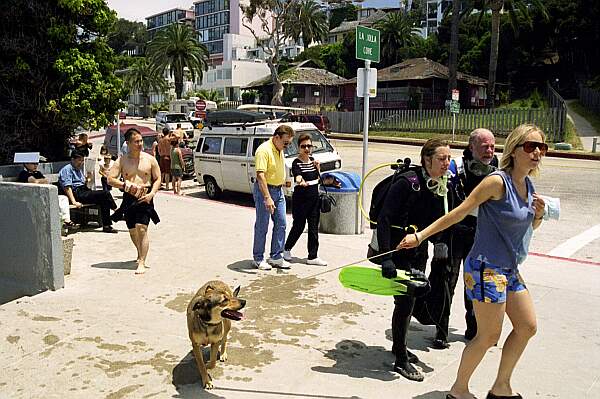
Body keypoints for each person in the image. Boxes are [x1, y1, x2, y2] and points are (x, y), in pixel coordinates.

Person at [400, 124, 547, 399]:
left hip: (509, 268)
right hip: (485, 267)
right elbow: (459, 212)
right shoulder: (497, 182)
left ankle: (501, 387)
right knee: (488, 336)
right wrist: (420, 236)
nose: (537, 152)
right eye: (530, 146)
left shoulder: (527, 185)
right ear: (514, 150)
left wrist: (537, 215)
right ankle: (458, 391)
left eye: (541, 147)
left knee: (527, 326)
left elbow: (528, 229)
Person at [377, 138, 453, 382]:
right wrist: (387, 259)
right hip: (398, 252)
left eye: (449, 159)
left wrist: (439, 244)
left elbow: (433, 223)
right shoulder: (407, 183)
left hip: (418, 254)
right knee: (404, 303)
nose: (447, 164)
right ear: (427, 159)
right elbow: (385, 220)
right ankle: (400, 358)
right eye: (442, 159)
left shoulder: (438, 185)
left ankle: (400, 346)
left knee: (409, 303)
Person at [433, 128, 499, 349]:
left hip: (481, 234)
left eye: (492, 146)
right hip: (454, 232)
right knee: (446, 282)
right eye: (484, 147)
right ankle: (441, 331)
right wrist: (439, 239)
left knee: (475, 285)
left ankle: (474, 330)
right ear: (471, 148)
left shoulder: (497, 170)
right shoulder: (454, 169)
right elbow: (440, 203)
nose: (489, 151)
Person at [108, 128, 161, 274]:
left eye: (141, 141)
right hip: (129, 197)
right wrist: (125, 185)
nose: (140, 144)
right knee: (132, 230)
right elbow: (110, 179)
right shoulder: (122, 160)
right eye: (136, 141)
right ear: (128, 143)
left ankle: (142, 262)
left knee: (141, 228)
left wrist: (152, 194)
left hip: (145, 196)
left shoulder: (150, 159)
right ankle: (139, 252)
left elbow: (158, 178)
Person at [283, 134, 332, 266]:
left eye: (309, 146)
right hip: (301, 200)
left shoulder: (313, 160)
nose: (306, 148)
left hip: (314, 199)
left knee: (313, 228)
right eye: (303, 146)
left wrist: (318, 169)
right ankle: (286, 249)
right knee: (299, 226)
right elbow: (297, 175)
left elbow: (317, 178)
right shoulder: (296, 162)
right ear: (298, 148)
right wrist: (300, 181)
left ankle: (313, 256)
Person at [252, 125, 294, 271]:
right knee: (262, 225)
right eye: (286, 143)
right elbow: (260, 175)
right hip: (265, 191)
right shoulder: (264, 150)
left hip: (278, 190)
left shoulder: (279, 149)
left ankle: (276, 256)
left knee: (281, 223)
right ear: (276, 138)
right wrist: (267, 197)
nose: (287, 146)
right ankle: (258, 258)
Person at [58, 151, 118, 233]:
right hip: (77, 193)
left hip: (83, 190)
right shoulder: (67, 170)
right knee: (105, 193)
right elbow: (67, 187)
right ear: (72, 159)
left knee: (104, 199)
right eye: (79, 160)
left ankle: (107, 225)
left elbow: (82, 183)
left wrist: (88, 178)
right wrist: (74, 201)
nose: (81, 163)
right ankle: (117, 212)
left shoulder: (78, 169)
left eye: (82, 160)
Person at [17, 161, 78, 229]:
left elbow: (45, 181)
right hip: (32, 197)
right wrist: (41, 181)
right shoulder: (24, 173)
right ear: (26, 164)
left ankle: (66, 221)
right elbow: (35, 182)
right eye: (33, 164)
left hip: (45, 195)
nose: (36, 165)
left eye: (37, 164)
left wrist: (40, 181)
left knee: (63, 198)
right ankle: (56, 225)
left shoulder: (37, 173)